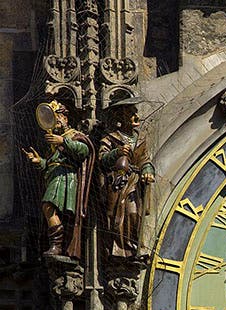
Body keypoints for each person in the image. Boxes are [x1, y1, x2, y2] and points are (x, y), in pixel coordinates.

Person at [22, 101, 94, 258]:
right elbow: (50, 164)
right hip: (55, 176)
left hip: (65, 178)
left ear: (66, 119)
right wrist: (39, 161)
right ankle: (57, 246)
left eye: (59, 116)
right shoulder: (55, 141)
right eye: (53, 117)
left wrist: (63, 141)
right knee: (50, 209)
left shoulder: (73, 135)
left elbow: (84, 150)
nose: (56, 120)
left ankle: (57, 245)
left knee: (48, 207)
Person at [98, 97, 155, 258]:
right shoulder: (110, 138)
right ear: (121, 118)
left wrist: (147, 171)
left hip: (135, 183)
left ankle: (135, 246)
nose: (136, 116)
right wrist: (117, 152)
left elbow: (145, 160)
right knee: (117, 217)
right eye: (131, 113)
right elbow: (102, 158)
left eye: (135, 112)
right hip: (118, 181)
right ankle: (119, 249)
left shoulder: (139, 139)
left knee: (134, 213)